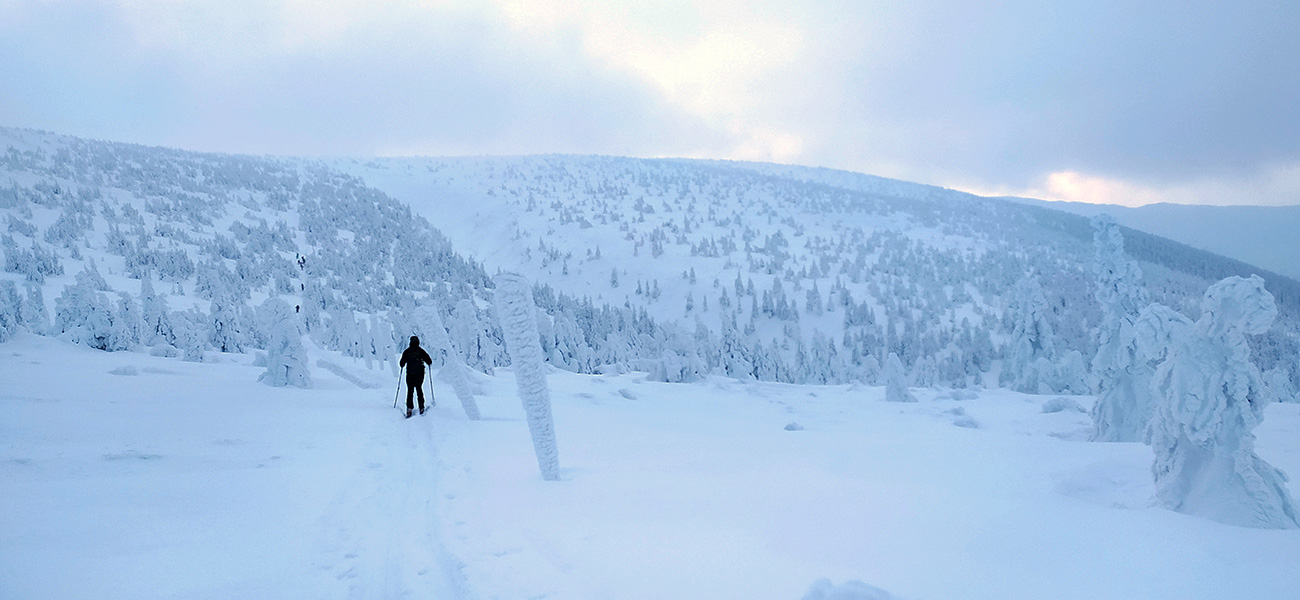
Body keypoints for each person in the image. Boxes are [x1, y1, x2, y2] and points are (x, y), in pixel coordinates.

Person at [398, 335, 433, 418]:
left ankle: (409, 408)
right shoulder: (421, 351)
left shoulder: (407, 351)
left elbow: (401, 363)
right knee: (419, 389)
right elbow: (429, 361)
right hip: (419, 374)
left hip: (410, 374)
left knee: (410, 391)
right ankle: (421, 407)